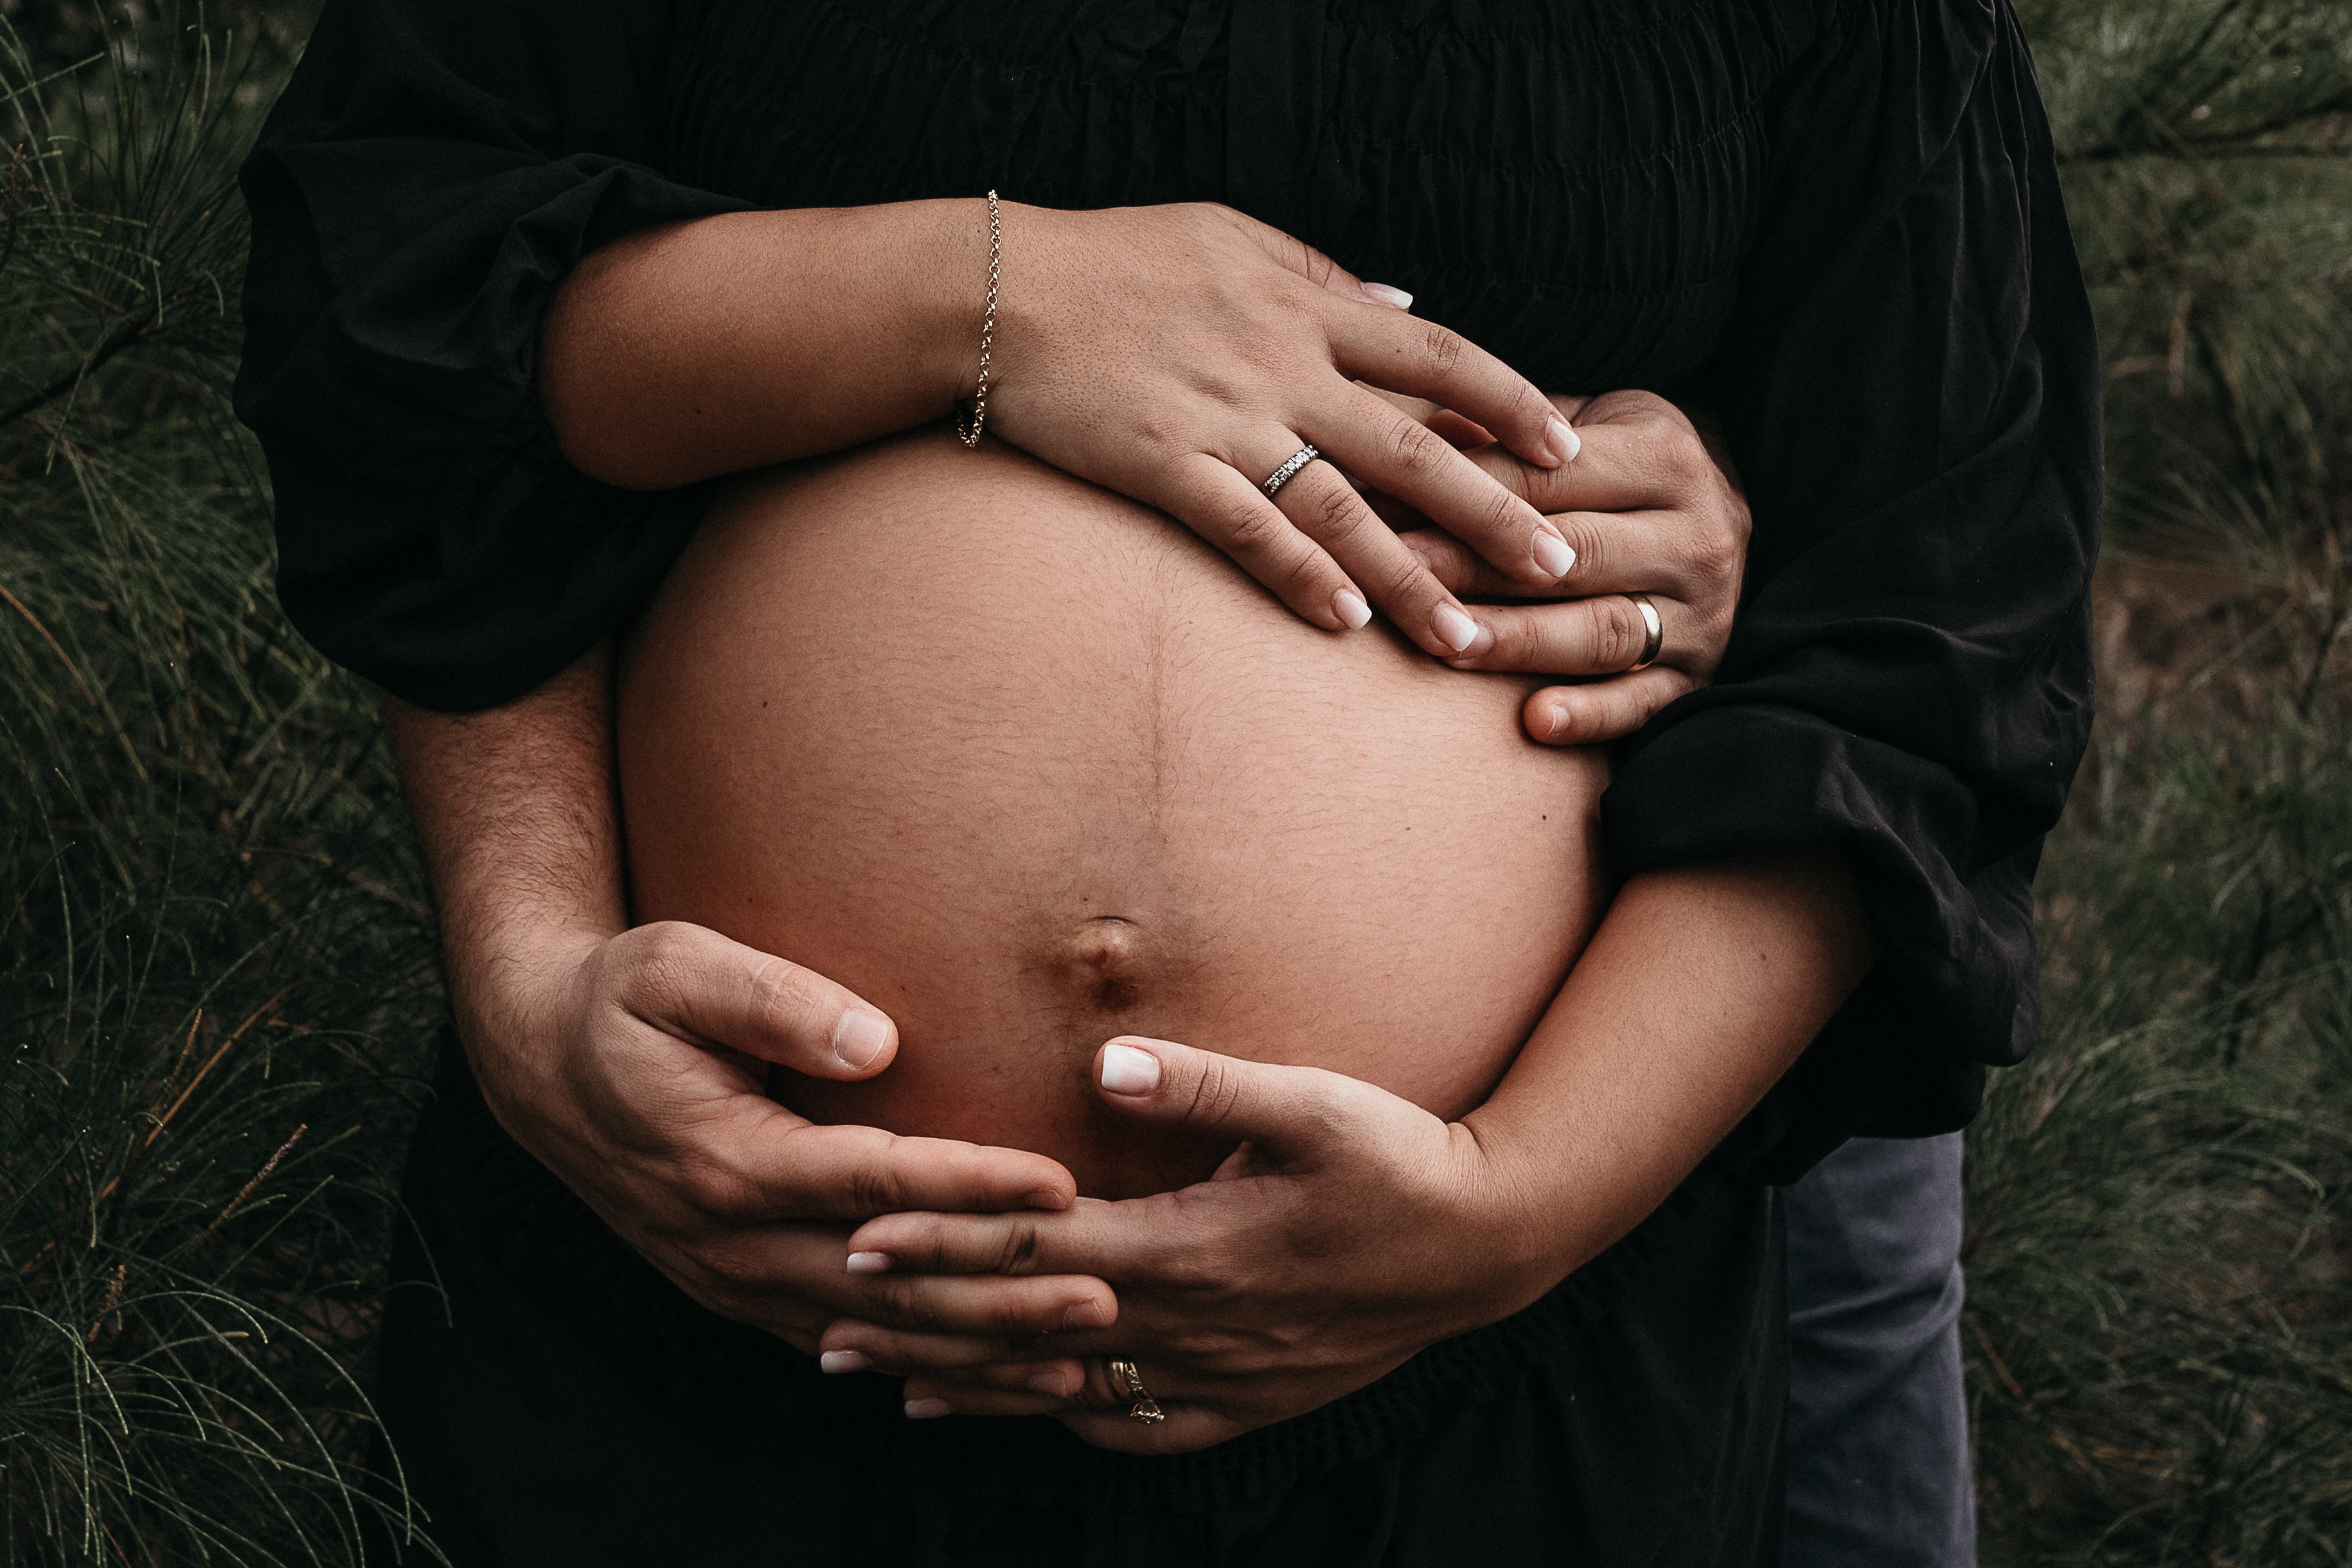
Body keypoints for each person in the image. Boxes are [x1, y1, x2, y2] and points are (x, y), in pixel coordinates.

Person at [233, 0, 2100, 1561]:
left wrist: (1511, 1208)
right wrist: (526, 976)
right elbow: (399, 333)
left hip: (1501, 1392)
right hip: (688, 1330)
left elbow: (1924, 612)